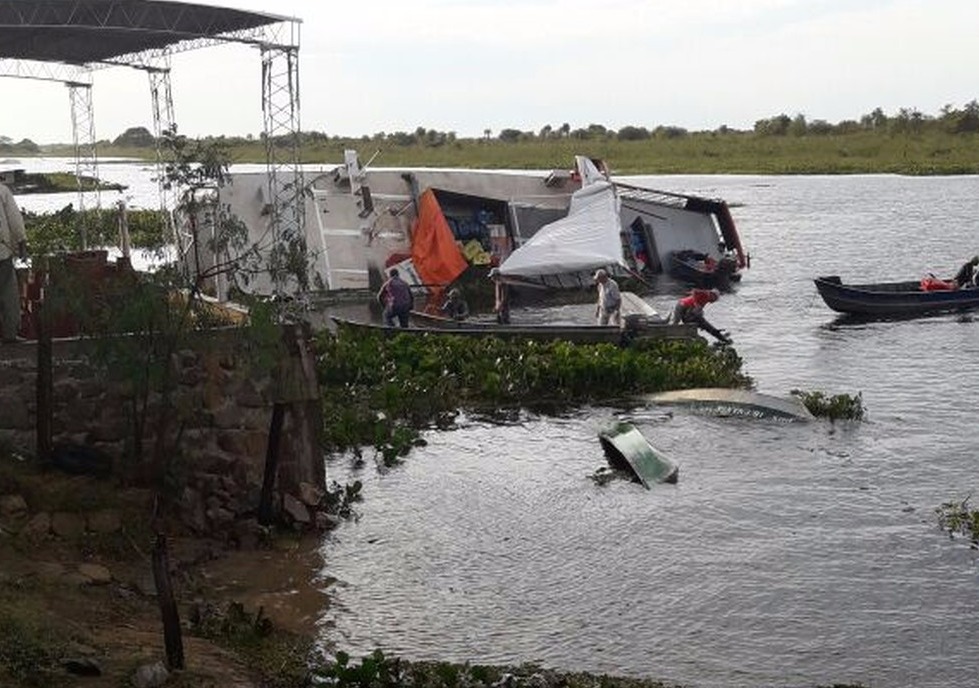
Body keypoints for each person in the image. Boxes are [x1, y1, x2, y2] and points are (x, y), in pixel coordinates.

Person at [0, 182, 26, 343]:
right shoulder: (2, 191)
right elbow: (15, 220)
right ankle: (9, 334)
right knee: (8, 294)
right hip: (2, 254)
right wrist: (22, 243)